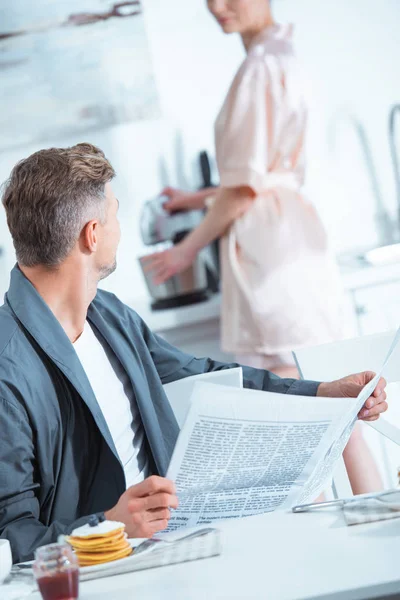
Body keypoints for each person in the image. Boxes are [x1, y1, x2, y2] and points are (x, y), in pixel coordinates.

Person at [0, 144, 387, 563]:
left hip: (176, 545)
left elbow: (200, 371)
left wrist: (321, 392)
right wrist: (109, 524)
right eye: (114, 215)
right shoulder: (8, 367)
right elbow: (10, 535)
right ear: (92, 235)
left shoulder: (107, 315)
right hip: (103, 570)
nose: (118, 229)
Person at [143, 0, 383, 494]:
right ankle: (381, 523)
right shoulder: (282, 53)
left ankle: (324, 554)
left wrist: (185, 251)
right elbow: (260, 174)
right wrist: (195, 198)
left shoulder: (258, 67)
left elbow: (244, 187)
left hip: (271, 256)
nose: (217, 6)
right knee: (340, 410)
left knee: (298, 412)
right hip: (293, 245)